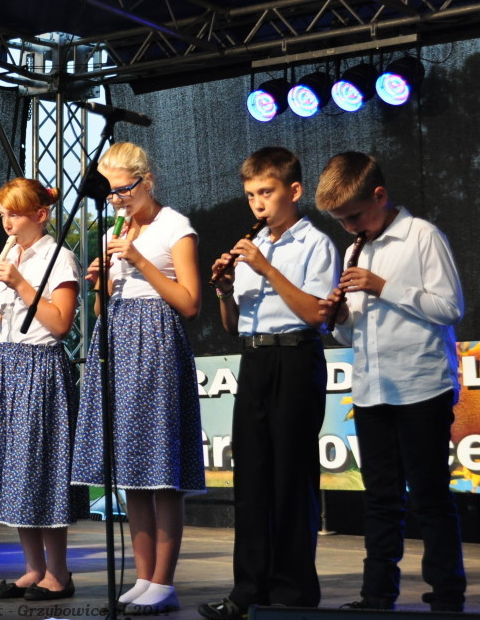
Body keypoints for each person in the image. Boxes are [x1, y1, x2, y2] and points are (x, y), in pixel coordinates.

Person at [315, 152, 466, 613]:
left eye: (354, 216)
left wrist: (384, 287)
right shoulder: (354, 250)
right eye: (341, 221)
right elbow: (353, 334)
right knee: (380, 499)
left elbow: (450, 308)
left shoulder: (422, 236)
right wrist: (340, 317)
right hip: (371, 389)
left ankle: (447, 595)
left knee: (430, 497)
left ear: (379, 196)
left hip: (421, 385)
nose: (349, 227)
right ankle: (377, 595)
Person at [199, 147, 338, 620]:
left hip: (296, 358)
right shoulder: (254, 245)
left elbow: (317, 315)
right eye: (251, 195)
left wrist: (266, 269)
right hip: (255, 359)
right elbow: (233, 324)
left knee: (291, 478)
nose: (258, 204)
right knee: (252, 479)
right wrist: (223, 290)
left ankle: (292, 594)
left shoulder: (315, 244)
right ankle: (247, 590)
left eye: (267, 192)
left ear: (293, 191)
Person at [72, 142, 205, 615]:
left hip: (156, 346)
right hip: (118, 343)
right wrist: (101, 284)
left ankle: (164, 582)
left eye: (123, 190)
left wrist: (140, 260)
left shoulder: (175, 227)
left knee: (161, 473)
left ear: (147, 181)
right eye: (109, 193)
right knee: (132, 470)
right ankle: (144, 577)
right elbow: (100, 310)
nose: (116, 200)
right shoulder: (120, 227)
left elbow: (190, 302)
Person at [0, 178, 83, 601]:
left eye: (14, 214)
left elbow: (60, 324)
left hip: (39, 368)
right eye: (2, 215)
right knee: (16, 471)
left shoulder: (58, 258)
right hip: (5, 366)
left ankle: (58, 573)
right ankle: (33, 569)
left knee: (42, 471)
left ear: (40, 215)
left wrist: (20, 284)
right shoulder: (9, 257)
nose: (6, 222)